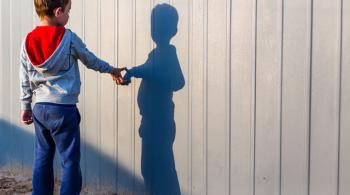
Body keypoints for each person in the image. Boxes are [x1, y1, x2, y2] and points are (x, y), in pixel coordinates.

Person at [19, 0, 125, 194]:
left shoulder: (28, 40)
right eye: (69, 11)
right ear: (58, 12)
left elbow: (24, 77)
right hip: (63, 110)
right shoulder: (68, 38)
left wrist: (26, 106)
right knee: (69, 160)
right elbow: (90, 60)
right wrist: (111, 69)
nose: (69, 15)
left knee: (42, 157)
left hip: (40, 109)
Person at [123, 4, 184, 194]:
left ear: (173, 31)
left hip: (159, 123)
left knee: (160, 169)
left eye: (157, 26)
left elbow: (178, 81)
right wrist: (134, 71)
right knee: (150, 169)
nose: (154, 30)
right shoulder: (156, 55)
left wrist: (134, 71)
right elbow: (149, 68)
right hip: (151, 122)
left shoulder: (167, 53)